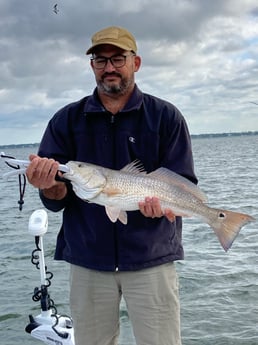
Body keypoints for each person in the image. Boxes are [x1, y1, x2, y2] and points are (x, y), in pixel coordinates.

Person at [26, 26, 197, 345]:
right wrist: (47, 185)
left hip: (152, 258)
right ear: (92, 66)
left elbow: (183, 183)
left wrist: (161, 206)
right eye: (100, 60)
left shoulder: (165, 117)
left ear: (136, 62)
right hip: (88, 260)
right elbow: (56, 199)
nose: (109, 68)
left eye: (118, 58)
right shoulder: (66, 121)